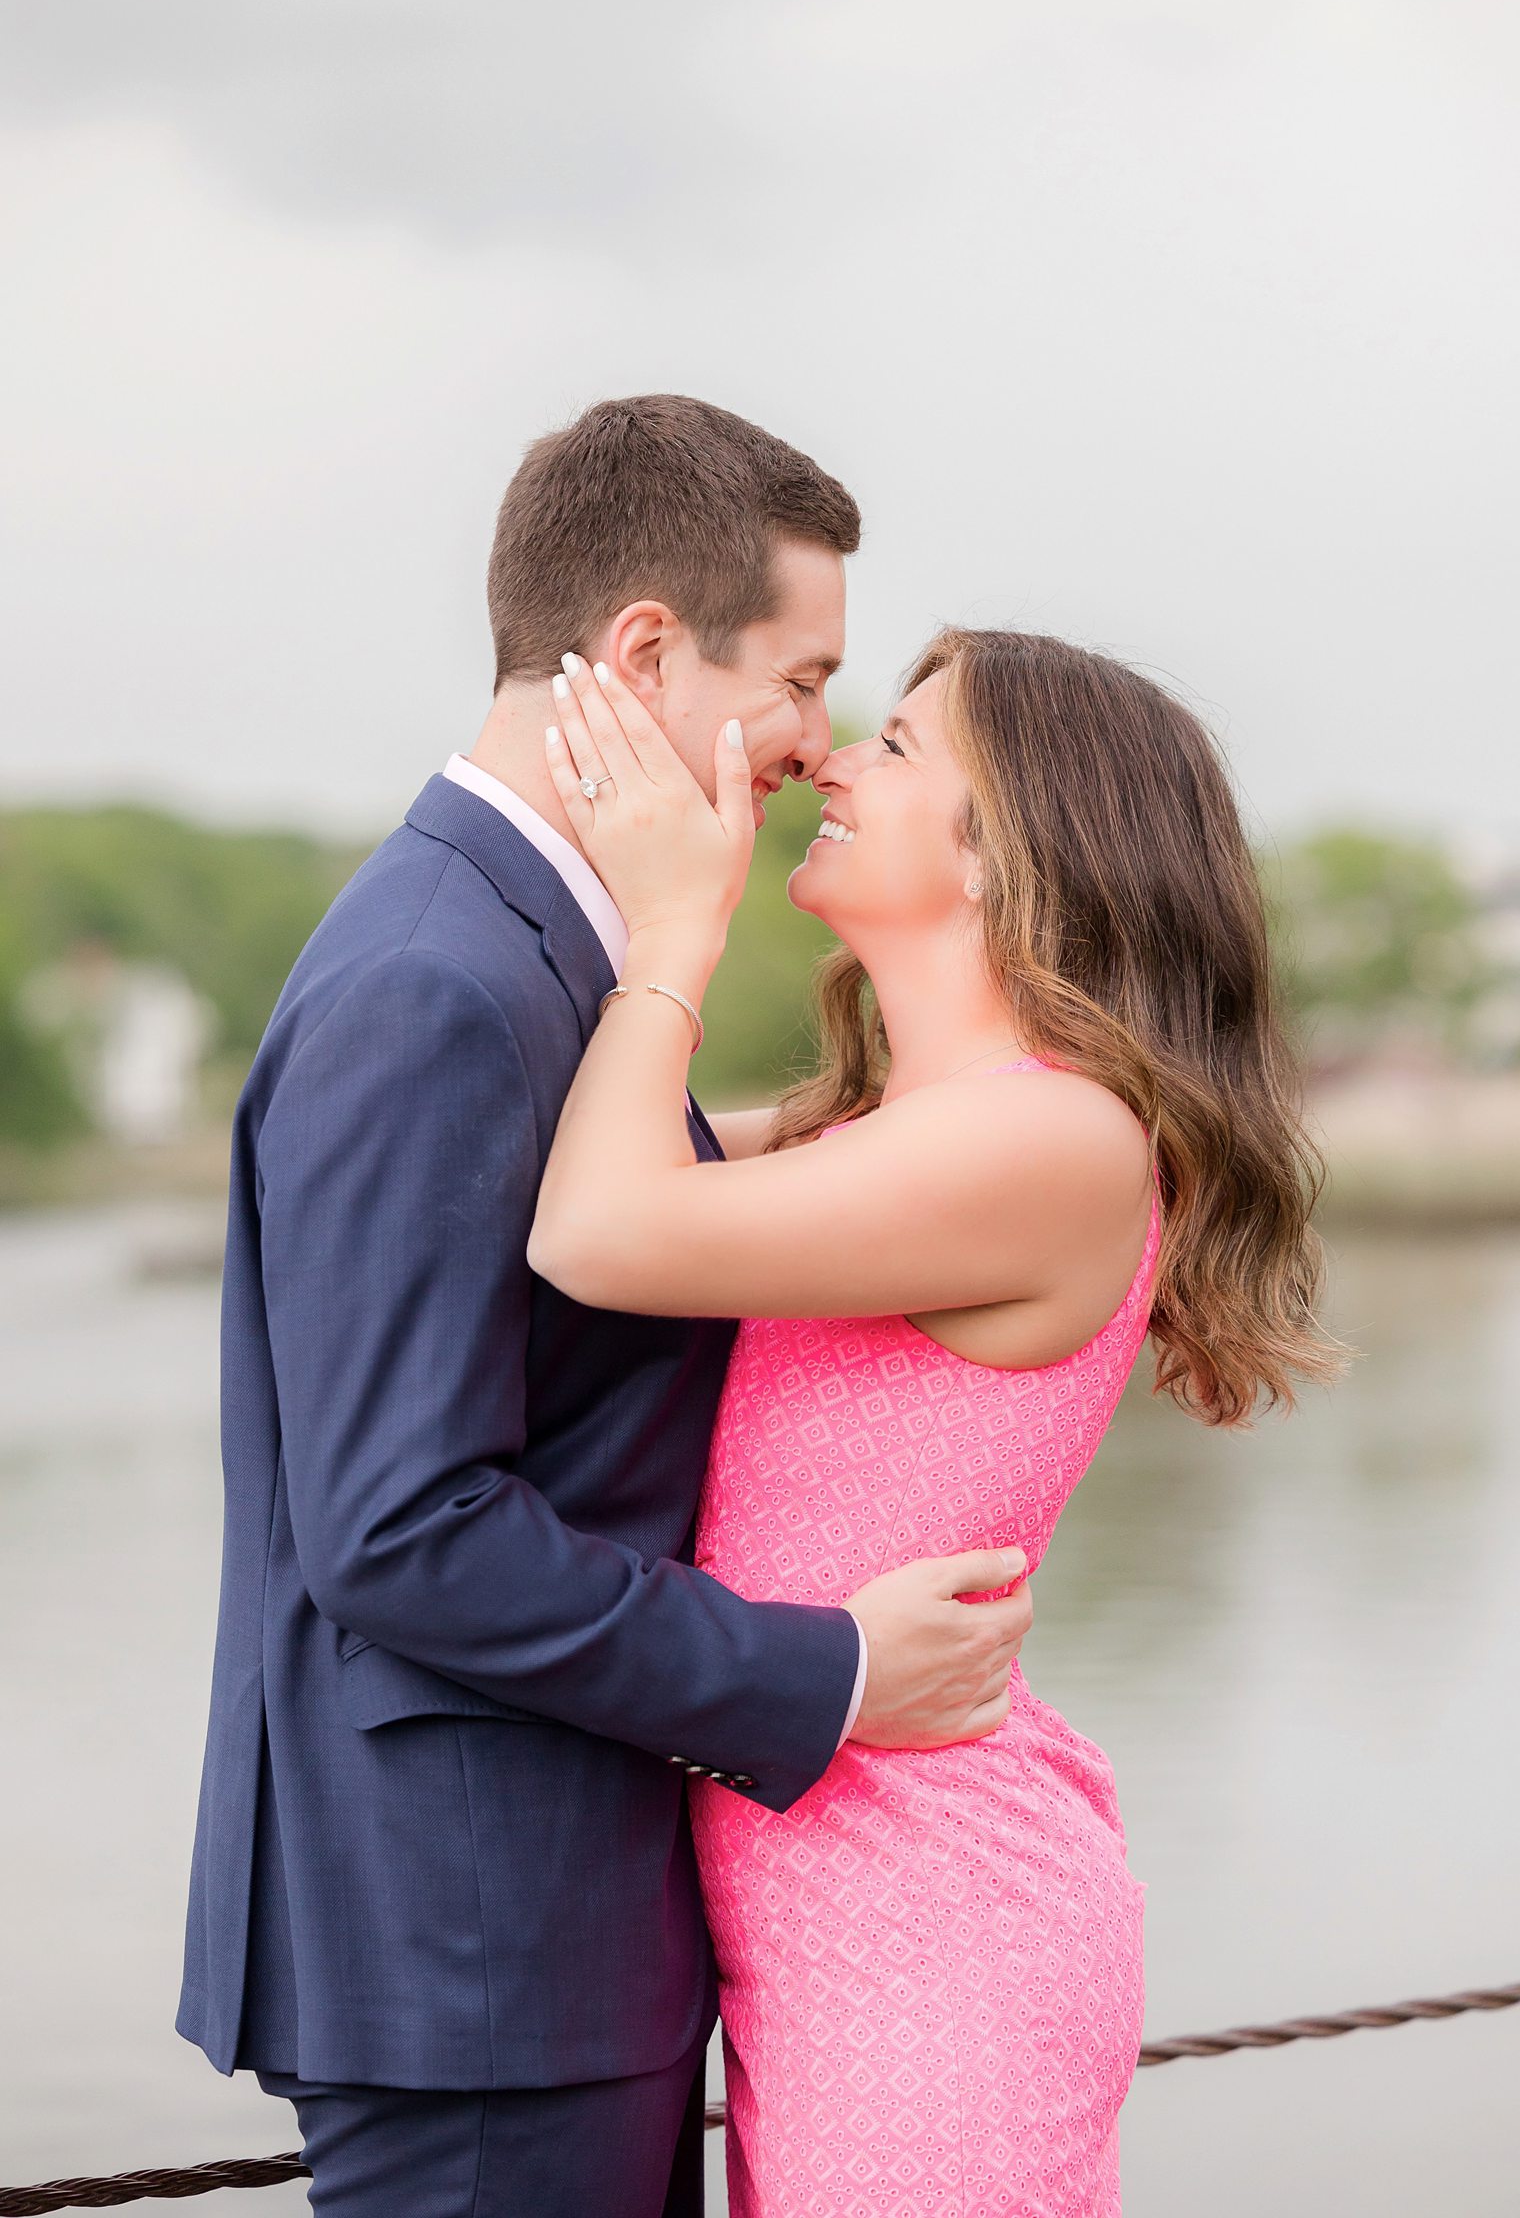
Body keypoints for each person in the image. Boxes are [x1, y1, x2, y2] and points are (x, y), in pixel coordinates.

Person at [175, 398, 1034, 2218]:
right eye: (803, 679)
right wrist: (834, 1672)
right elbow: (402, 1532)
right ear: (647, 650)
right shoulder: (442, 982)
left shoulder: (529, 944)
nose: (815, 741)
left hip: (538, 1936)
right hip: (480, 1951)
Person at [530, 629, 1341, 2217]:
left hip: (933, 1929)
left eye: (894, 746)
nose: (831, 758)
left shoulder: (1051, 1138)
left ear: (1010, 850)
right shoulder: (895, 1130)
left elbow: (598, 1233)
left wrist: (673, 932)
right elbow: (570, 1168)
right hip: (824, 1915)